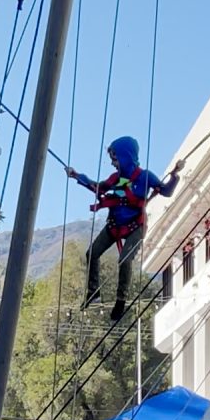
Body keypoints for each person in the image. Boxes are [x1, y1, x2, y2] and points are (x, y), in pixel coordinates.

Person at [63, 136, 179, 320]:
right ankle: (93, 293)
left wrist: (174, 176)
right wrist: (77, 176)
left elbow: (166, 191)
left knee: (125, 260)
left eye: (115, 159)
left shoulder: (144, 177)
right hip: (114, 226)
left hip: (135, 227)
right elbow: (98, 187)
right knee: (92, 253)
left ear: (126, 156)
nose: (112, 163)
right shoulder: (115, 179)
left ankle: (120, 300)